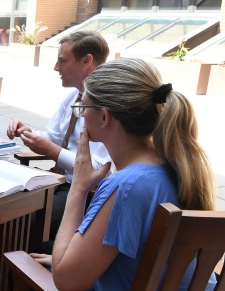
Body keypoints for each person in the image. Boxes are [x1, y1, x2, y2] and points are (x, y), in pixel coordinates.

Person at [29, 58, 217, 290]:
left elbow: (66, 281)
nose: (80, 115)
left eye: (82, 107)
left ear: (104, 117)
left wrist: (78, 189)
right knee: (48, 250)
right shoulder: (175, 165)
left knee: (29, 258)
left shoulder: (126, 186)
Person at [6, 31, 112, 240]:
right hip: (59, 181)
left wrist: (51, 150)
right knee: (3, 203)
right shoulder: (72, 97)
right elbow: (53, 138)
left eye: (62, 60)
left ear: (86, 60)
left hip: (88, 193)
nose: (56, 67)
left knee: (22, 220)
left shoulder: (106, 107)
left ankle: (13, 265)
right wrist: (27, 132)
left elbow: (100, 171)